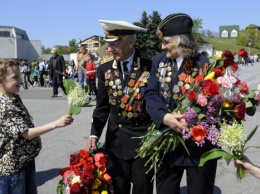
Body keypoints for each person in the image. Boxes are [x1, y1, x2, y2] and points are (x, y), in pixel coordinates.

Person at [144, 13, 217, 194]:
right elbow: (151, 93)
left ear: (181, 41)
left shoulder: (204, 64)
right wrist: (164, 117)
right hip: (166, 143)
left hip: (198, 145)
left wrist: (194, 121)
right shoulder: (158, 61)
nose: (163, 47)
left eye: (167, 42)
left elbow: (214, 103)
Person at [87, 20, 154, 194]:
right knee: (117, 188)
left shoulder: (149, 64)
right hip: (116, 139)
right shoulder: (105, 67)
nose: (110, 48)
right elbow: (102, 106)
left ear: (130, 42)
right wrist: (94, 132)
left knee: (142, 188)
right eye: (108, 44)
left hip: (143, 140)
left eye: (115, 43)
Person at [0, 59, 74, 194]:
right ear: (1, 80)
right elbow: (26, 133)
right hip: (12, 168)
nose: (21, 81)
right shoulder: (3, 105)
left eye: (20, 76)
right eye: (15, 77)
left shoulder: (14, 98)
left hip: (25, 161)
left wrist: (37, 139)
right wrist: (56, 124)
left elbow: (26, 123)